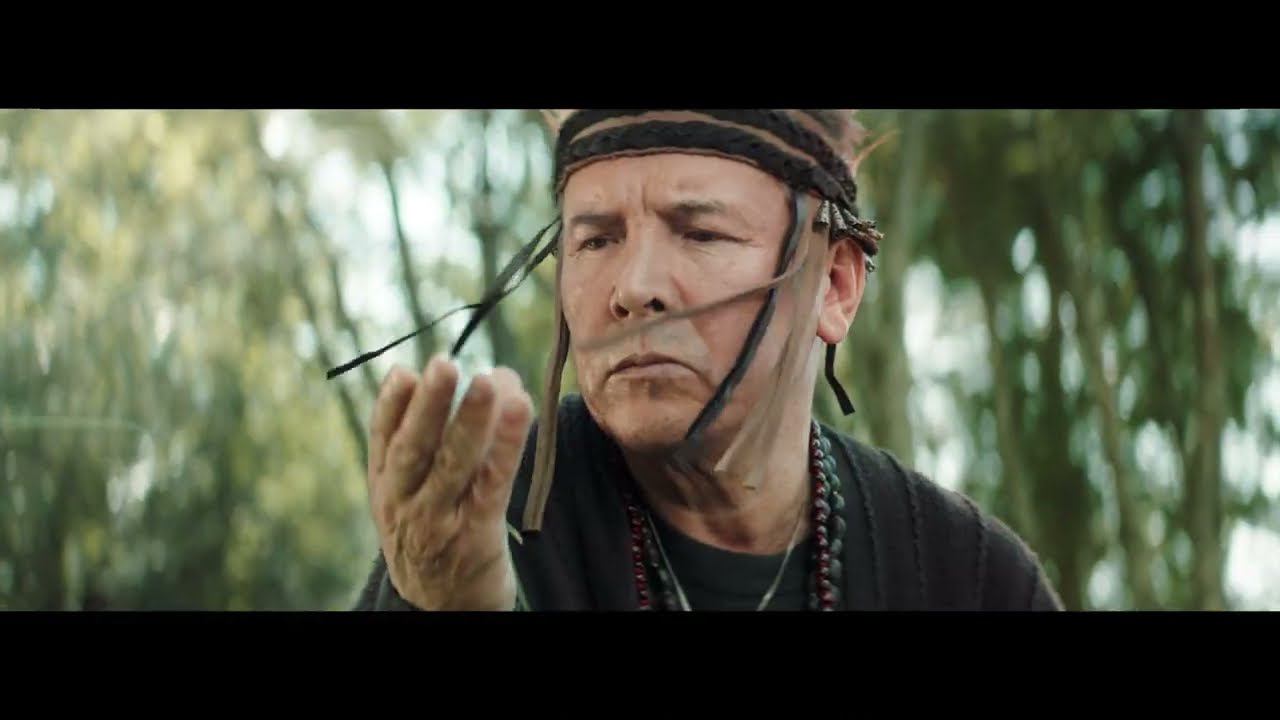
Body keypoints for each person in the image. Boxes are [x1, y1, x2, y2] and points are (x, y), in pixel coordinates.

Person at [342, 109, 1063, 611]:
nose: (635, 288)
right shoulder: (477, 525)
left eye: (701, 234)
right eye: (597, 240)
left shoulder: (968, 577)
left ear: (835, 286)